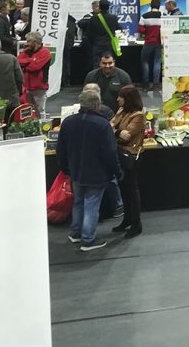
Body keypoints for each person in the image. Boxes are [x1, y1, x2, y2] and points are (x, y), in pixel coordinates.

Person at [56, 89, 122, 252]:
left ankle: (75, 232)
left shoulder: (68, 122)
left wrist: (65, 168)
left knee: (78, 202)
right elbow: (110, 152)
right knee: (91, 205)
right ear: (97, 105)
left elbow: (61, 149)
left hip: (75, 171)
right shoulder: (102, 124)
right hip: (96, 173)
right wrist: (117, 171)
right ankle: (88, 240)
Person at [110, 84, 146, 239]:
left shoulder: (138, 115)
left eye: (121, 97)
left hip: (130, 156)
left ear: (128, 99)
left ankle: (136, 223)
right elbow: (109, 125)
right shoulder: (121, 111)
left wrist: (115, 131)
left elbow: (127, 136)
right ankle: (127, 219)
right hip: (120, 154)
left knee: (131, 190)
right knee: (123, 189)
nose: (118, 99)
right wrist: (117, 130)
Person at [17, 31, 51, 116]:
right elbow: (17, 61)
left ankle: (42, 128)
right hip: (26, 86)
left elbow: (35, 67)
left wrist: (25, 65)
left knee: (40, 111)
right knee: (28, 111)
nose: (27, 43)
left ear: (35, 42)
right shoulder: (26, 51)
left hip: (39, 87)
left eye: (28, 41)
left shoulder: (45, 52)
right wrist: (31, 60)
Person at [137, 0, 163, 90]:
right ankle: (156, 84)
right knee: (157, 62)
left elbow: (140, 29)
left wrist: (147, 32)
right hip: (159, 42)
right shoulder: (163, 15)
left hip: (148, 42)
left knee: (145, 61)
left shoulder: (144, 15)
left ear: (150, 6)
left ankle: (145, 84)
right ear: (159, 6)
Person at [86, 0, 120, 67]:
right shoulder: (114, 18)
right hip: (109, 45)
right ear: (108, 7)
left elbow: (89, 33)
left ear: (100, 7)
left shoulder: (94, 18)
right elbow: (118, 28)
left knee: (97, 65)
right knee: (109, 64)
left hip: (97, 45)